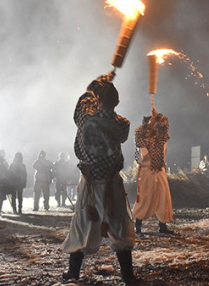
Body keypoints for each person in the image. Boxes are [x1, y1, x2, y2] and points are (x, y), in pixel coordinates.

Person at [62, 71, 136, 284]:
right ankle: (128, 275)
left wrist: (97, 84)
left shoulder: (87, 119)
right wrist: (105, 88)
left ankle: (73, 273)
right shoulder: (123, 124)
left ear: (98, 100)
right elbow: (119, 132)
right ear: (117, 101)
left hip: (91, 183)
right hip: (112, 183)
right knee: (120, 224)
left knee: (83, 225)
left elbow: (82, 103)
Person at [132, 109, 174, 235]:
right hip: (147, 171)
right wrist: (150, 123)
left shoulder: (161, 135)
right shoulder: (141, 134)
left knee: (163, 197)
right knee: (145, 197)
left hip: (160, 170)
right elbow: (141, 138)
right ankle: (138, 227)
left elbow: (164, 126)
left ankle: (163, 225)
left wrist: (157, 117)